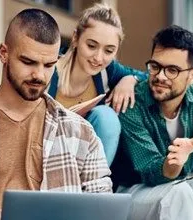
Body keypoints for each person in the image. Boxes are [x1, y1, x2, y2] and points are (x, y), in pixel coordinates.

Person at [0, 9, 112, 220]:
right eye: (28, 62)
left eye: (49, 65)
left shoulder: (80, 133)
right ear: (3, 53)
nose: (39, 75)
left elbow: (103, 209)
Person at [112, 25, 193, 220]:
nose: (160, 76)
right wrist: (173, 162)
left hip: (181, 186)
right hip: (134, 193)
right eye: (155, 66)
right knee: (179, 192)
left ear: (192, 76)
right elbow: (150, 170)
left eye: (172, 70)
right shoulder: (132, 102)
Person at [47, 3, 147, 166]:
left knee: (107, 117)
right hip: (50, 156)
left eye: (108, 51)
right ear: (75, 38)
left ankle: (96, 187)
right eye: (91, 46)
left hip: (88, 161)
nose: (98, 58)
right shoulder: (49, 70)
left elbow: (150, 75)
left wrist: (130, 79)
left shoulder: (109, 70)